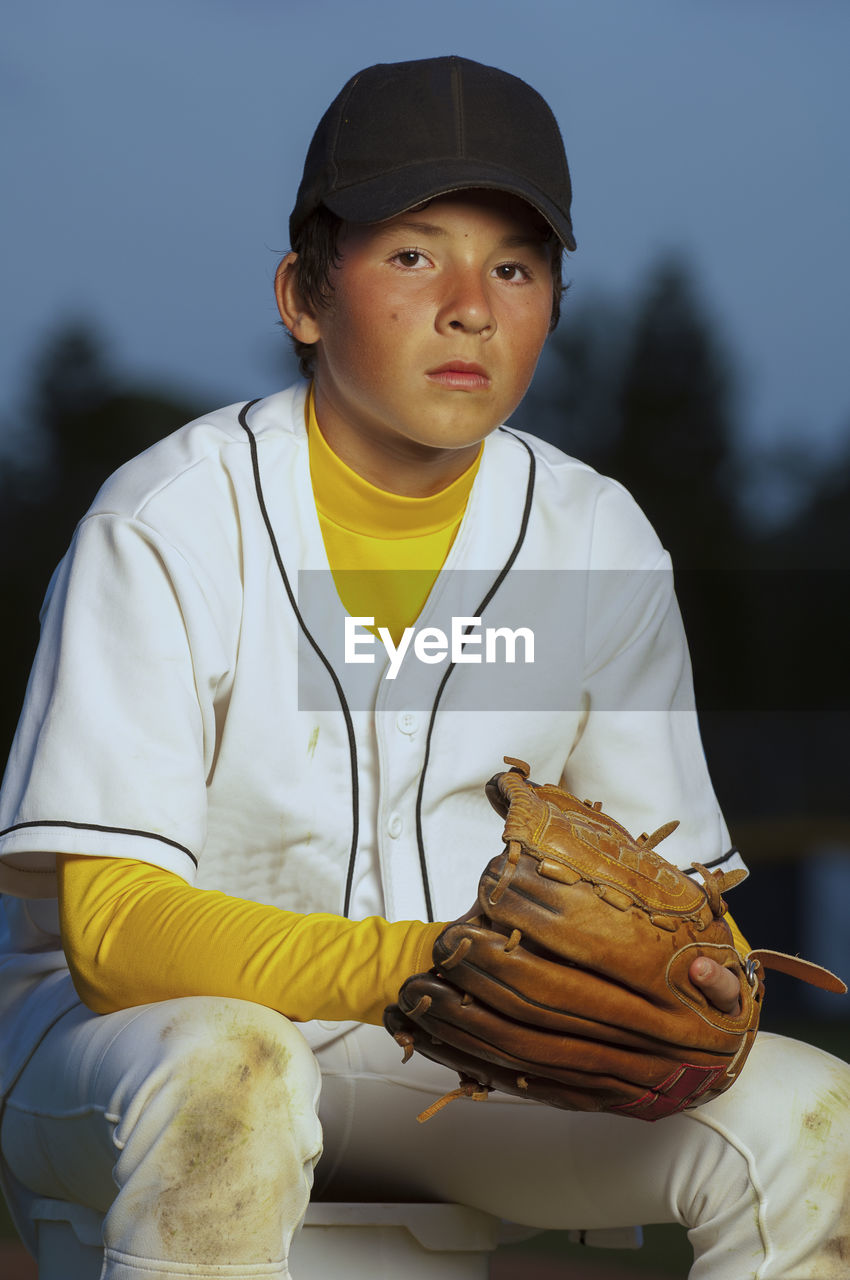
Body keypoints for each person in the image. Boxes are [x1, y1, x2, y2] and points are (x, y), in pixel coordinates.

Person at [0, 55, 847, 1280]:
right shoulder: (171, 519)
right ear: (302, 292)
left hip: (447, 1057)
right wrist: (433, 960)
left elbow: (677, 893)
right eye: (412, 253)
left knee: (804, 1114)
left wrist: (693, 985)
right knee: (233, 1066)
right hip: (122, 1050)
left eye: (513, 264)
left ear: (553, 300)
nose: (469, 304)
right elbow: (113, 932)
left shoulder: (593, 537)